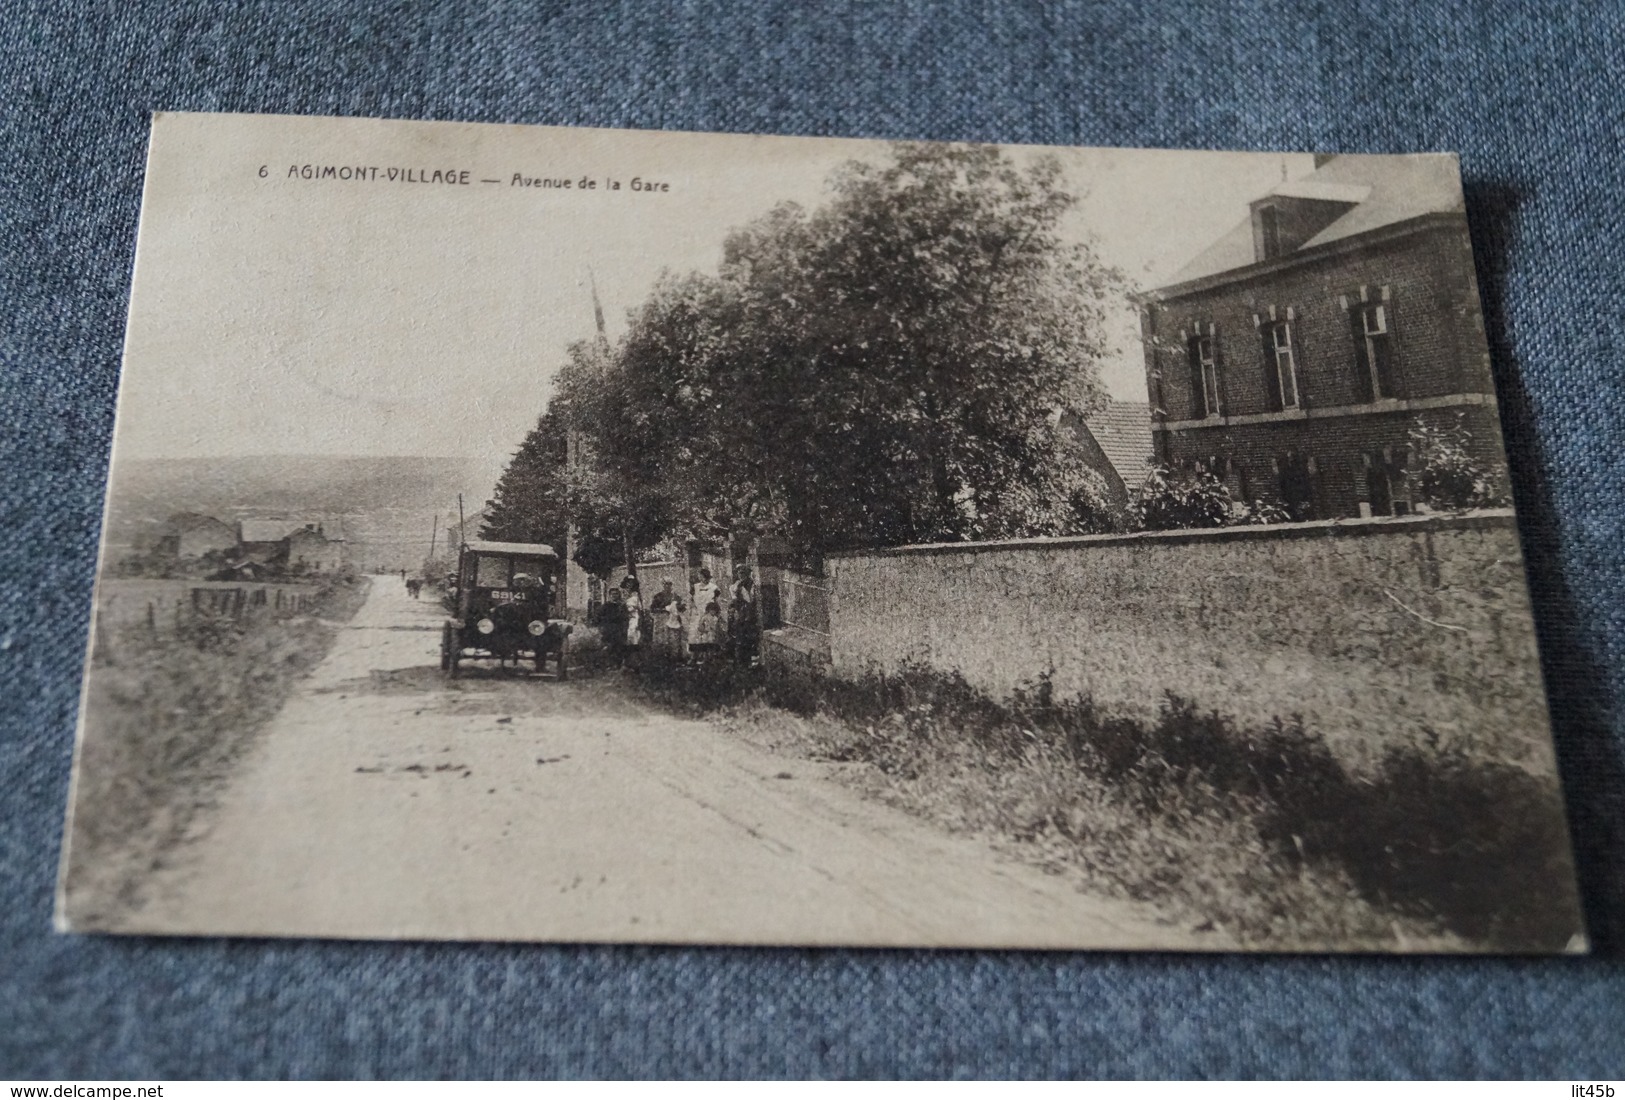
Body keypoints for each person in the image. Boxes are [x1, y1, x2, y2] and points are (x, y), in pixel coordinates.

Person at [728, 565, 760, 667]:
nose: (741, 575)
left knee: (751, 638)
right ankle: (741, 662)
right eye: (739, 573)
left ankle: (754, 663)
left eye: (743, 573)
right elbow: (733, 597)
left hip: (750, 614)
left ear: (747, 574)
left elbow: (751, 599)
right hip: (740, 614)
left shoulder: (752, 585)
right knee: (739, 637)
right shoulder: (736, 585)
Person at [649, 579, 685, 662]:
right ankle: (661, 657)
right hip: (662, 619)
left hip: (673, 619)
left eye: (669, 584)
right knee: (662, 638)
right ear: (663, 585)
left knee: (673, 638)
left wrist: (679, 608)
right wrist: (664, 609)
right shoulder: (658, 596)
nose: (667, 586)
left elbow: (681, 608)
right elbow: (653, 609)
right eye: (666, 584)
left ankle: (674, 657)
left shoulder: (675, 596)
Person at [620, 575, 645, 669]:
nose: (629, 585)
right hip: (625, 618)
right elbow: (621, 606)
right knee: (625, 639)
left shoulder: (636, 594)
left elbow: (640, 608)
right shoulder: (622, 593)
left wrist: (640, 620)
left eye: (632, 583)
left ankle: (636, 662)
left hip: (634, 618)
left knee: (634, 640)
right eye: (628, 583)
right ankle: (624, 662)